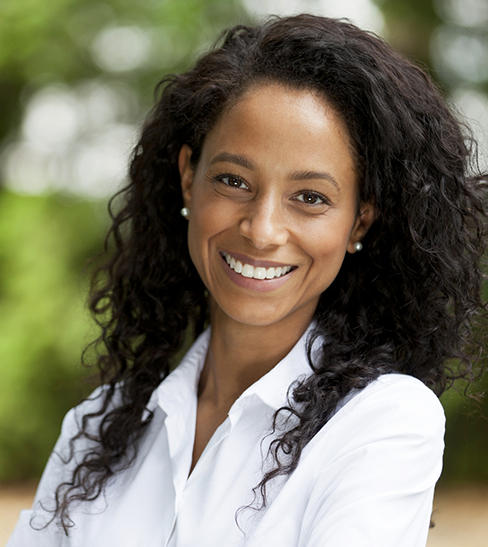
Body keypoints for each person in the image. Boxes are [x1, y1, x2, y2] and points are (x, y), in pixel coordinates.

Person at [7, 14, 487, 547]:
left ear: (360, 221)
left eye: (311, 197)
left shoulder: (383, 423)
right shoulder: (97, 427)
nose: (261, 231)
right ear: (189, 178)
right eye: (234, 181)